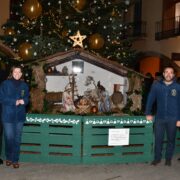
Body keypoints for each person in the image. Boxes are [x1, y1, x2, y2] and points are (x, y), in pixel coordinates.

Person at [145, 66, 180, 166]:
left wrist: (179, 119)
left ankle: (168, 158)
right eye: (166, 72)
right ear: (163, 74)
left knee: (171, 140)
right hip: (159, 117)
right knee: (158, 139)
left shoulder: (177, 87)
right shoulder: (156, 86)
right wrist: (148, 112)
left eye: (171, 72)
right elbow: (150, 99)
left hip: (173, 118)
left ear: (173, 75)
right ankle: (157, 158)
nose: (169, 74)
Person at [0, 65, 29, 168]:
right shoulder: (5, 84)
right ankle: (9, 157)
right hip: (7, 116)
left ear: (21, 74)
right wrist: (14, 101)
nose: (17, 74)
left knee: (17, 138)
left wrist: (24, 101)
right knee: (9, 138)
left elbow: (27, 98)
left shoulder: (24, 85)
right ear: (11, 73)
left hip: (20, 116)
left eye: (19, 72)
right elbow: (2, 98)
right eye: (15, 72)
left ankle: (15, 160)